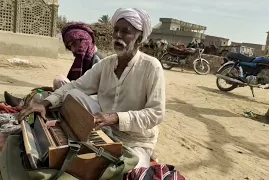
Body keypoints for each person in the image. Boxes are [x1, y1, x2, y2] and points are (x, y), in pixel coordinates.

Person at [18, 8, 165, 168]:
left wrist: (115, 117)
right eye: (116, 30)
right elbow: (75, 85)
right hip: (103, 126)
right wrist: (44, 103)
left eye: (125, 32)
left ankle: (144, 156)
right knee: (73, 93)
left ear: (139, 39)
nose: (118, 36)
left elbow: (156, 114)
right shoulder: (106, 64)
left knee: (122, 169)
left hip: (135, 140)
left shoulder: (151, 67)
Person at [4, 23, 104, 107]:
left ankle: (24, 104)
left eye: (74, 44)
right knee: (56, 84)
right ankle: (25, 101)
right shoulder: (83, 58)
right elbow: (77, 83)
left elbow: (96, 91)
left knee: (59, 91)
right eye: (70, 47)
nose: (73, 50)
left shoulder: (99, 61)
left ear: (84, 40)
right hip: (80, 91)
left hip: (92, 100)